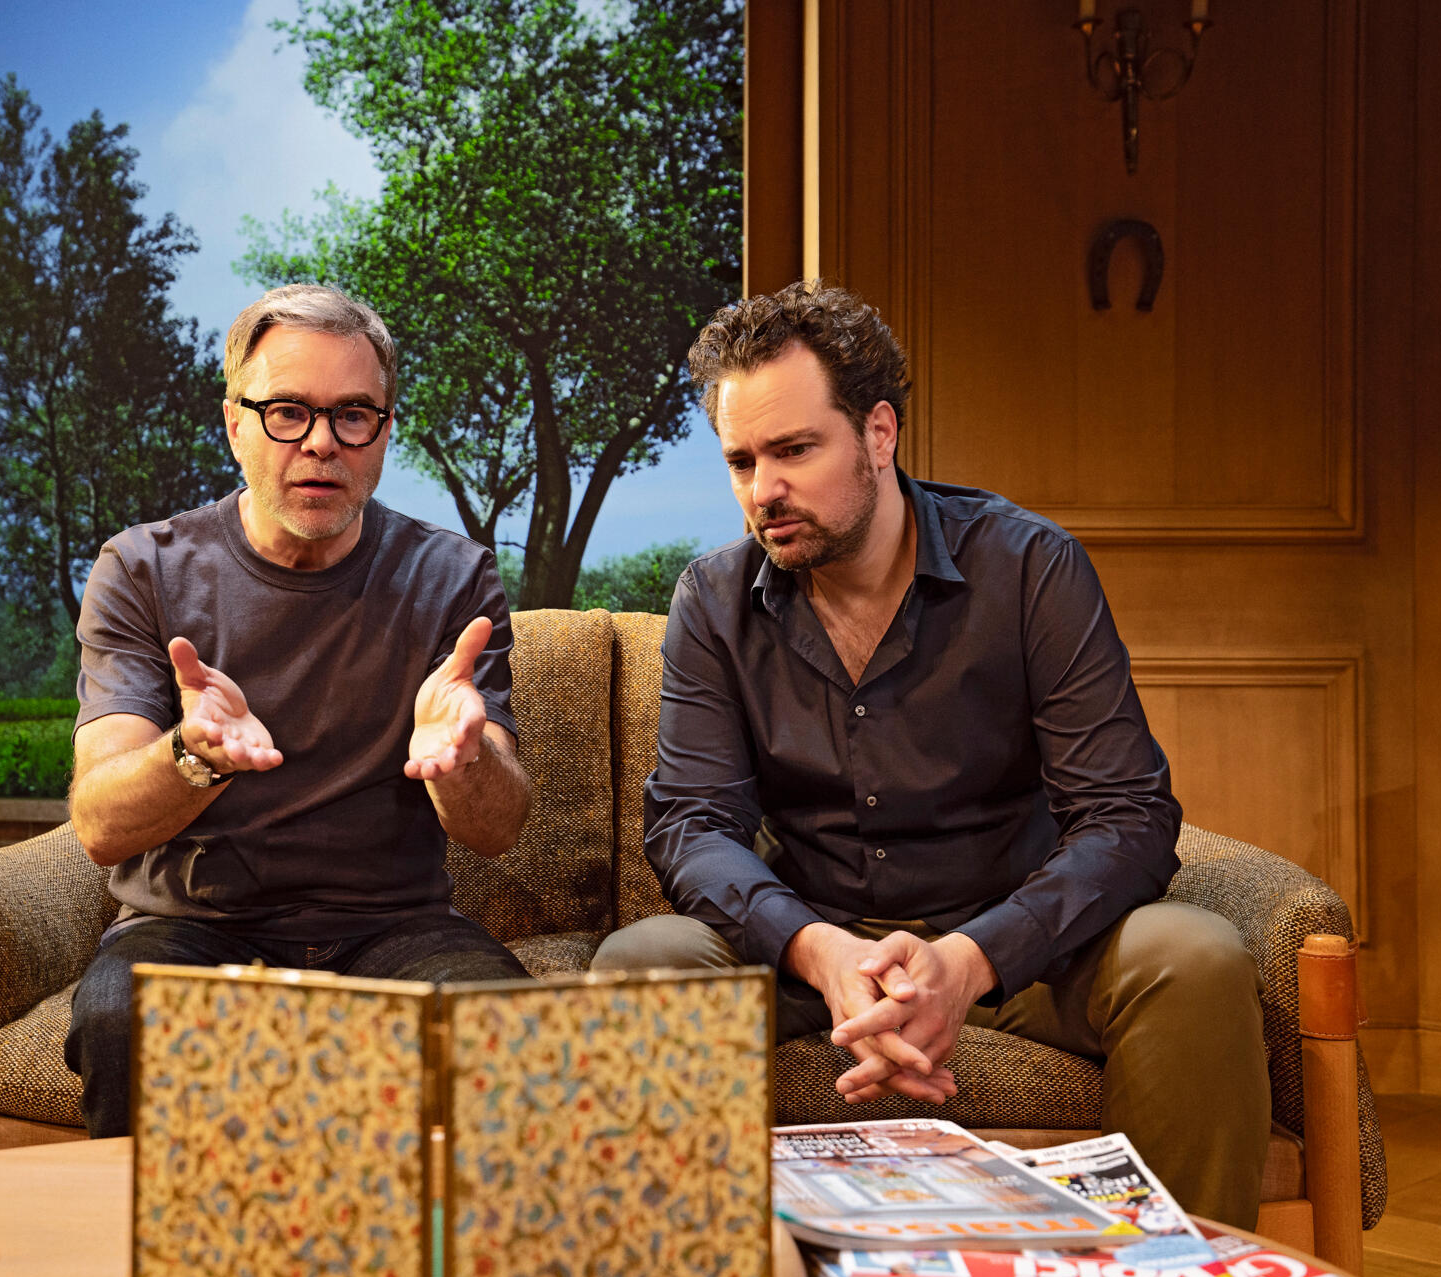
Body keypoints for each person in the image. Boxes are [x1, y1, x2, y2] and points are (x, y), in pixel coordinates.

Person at [591, 280, 1270, 1226]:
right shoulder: (713, 600)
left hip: (1022, 945)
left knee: (1193, 956)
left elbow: (1128, 816)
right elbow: (691, 825)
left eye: (794, 450)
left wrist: (975, 957)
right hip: (811, 942)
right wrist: (818, 949)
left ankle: (1174, 1266)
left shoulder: (1029, 568)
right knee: (645, 960)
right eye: (741, 460)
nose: (763, 490)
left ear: (879, 433)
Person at [63, 283, 533, 1138]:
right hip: (191, 928)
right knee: (119, 1018)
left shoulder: (453, 578)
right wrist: (194, 752)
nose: (321, 442)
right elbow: (99, 825)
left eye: (353, 414)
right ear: (234, 424)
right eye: (287, 411)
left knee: (502, 1019)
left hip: (396, 928)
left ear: (384, 432)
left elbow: (497, 829)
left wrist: (464, 760)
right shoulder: (141, 570)